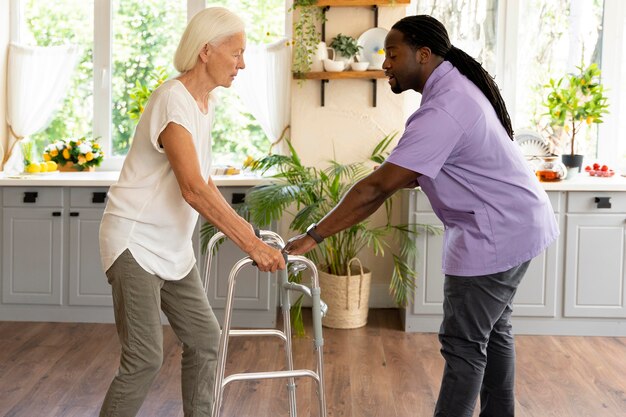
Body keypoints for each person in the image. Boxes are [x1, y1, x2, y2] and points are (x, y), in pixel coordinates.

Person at [283, 14, 558, 417]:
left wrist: (312, 236)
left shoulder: (444, 108)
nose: (385, 64)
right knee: (493, 333)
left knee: (465, 346)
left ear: (423, 55)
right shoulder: (455, 92)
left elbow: (373, 189)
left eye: (392, 54)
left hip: (497, 233)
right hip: (519, 223)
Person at [98, 7, 286, 417]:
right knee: (144, 358)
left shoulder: (204, 103)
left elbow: (206, 182)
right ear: (206, 51)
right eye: (236, 53)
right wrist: (250, 244)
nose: (243, 63)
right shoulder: (173, 100)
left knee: (204, 339)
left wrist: (250, 232)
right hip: (134, 242)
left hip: (172, 248)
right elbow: (193, 189)